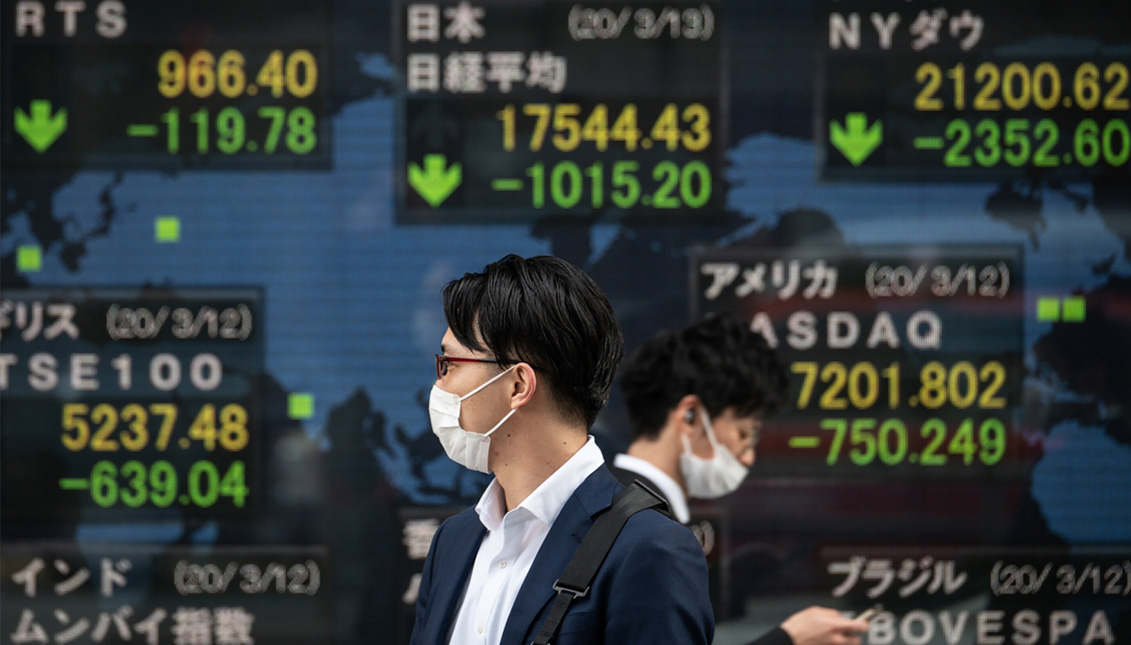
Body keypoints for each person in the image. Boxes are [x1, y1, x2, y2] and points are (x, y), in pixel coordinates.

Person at [410, 254, 713, 645]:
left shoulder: (649, 549)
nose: (441, 387)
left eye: (449, 364)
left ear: (518, 385)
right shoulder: (454, 541)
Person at [610, 312, 870, 645]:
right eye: (744, 434)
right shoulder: (653, 535)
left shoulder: (607, 503)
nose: (748, 456)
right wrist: (789, 640)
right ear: (689, 416)